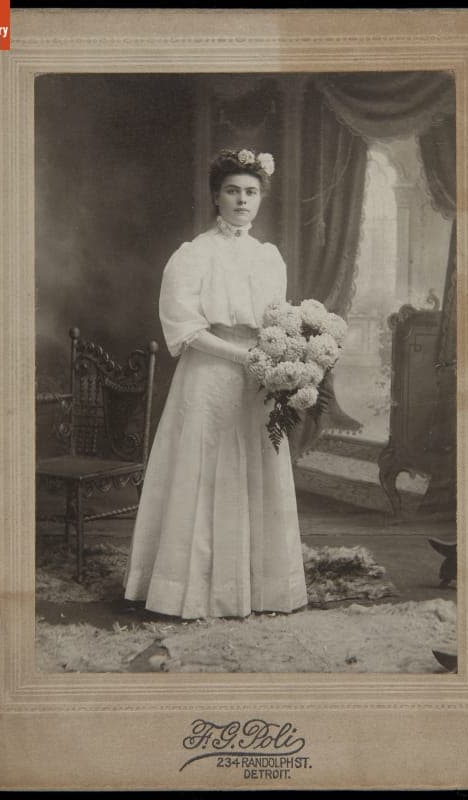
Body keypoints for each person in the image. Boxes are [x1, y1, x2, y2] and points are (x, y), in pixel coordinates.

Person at [123, 148, 308, 619]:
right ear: (215, 197)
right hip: (209, 373)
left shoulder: (269, 257)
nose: (242, 200)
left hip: (257, 379)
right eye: (232, 191)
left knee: (255, 469)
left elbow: (276, 321)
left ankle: (255, 589)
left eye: (250, 192)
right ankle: (190, 589)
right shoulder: (193, 255)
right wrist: (242, 356)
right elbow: (184, 328)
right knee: (204, 473)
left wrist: (282, 360)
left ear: (260, 199)